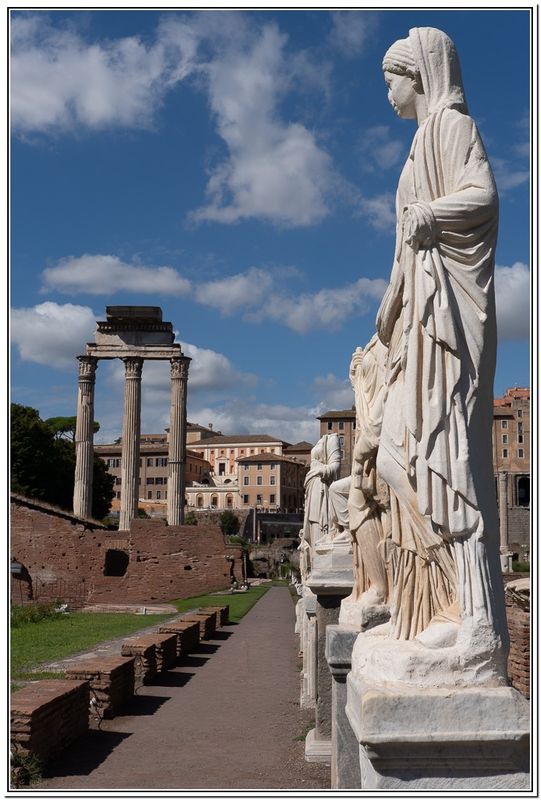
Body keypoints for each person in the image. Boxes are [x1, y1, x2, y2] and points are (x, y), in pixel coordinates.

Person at [371, 27, 507, 668]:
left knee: (446, 459)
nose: (389, 94)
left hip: (448, 320)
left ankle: (476, 623)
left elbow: (482, 197)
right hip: (415, 319)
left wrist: (431, 218)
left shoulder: (452, 125)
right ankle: (445, 601)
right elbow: (403, 241)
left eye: (392, 80)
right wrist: (390, 301)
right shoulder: (421, 141)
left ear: (417, 75)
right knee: (401, 459)